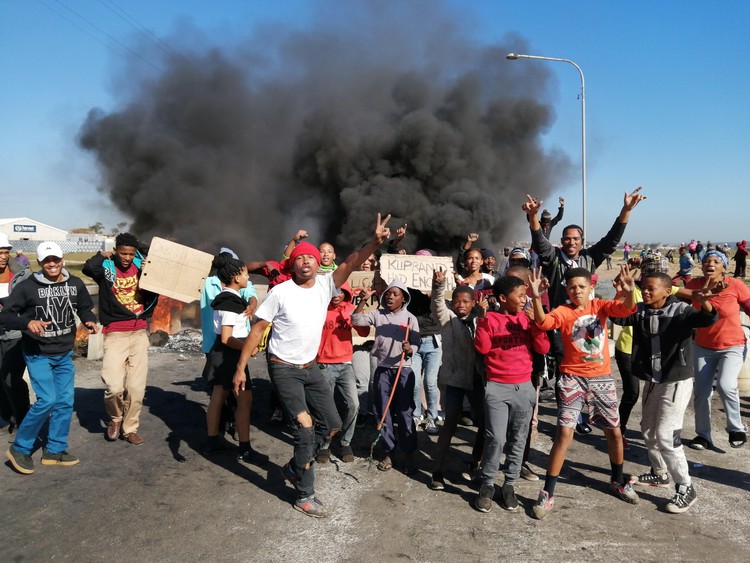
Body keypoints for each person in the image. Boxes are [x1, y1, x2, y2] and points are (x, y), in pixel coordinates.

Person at [233, 214, 392, 518]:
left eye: (311, 258)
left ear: (319, 264)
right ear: (291, 264)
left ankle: (295, 465)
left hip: (310, 367)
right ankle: (304, 494)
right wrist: (241, 367)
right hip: (283, 367)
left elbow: (351, 262)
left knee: (332, 423)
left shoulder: (324, 286)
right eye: (300, 258)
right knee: (305, 428)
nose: (305, 261)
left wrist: (374, 242)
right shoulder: (279, 292)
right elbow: (256, 330)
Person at [528, 265, 639, 520]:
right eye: (572, 287)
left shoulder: (600, 306)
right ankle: (548, 491)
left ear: (590, 287)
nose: (577, 290)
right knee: (564, 433)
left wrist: (630, 292)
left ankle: (618, 480)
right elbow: (543, 322)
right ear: (566, 290)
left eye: (582, 286)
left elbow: (625, 309)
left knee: (614, 432)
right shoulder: (564, 311)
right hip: (571, 379)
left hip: (601, 378)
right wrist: (536, 298)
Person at [613, 272, 717, 514]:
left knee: (666, 436)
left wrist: (703, 300)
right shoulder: (640, 310)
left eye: (651, 288)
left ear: (666, 291)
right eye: (643, 288)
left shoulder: (681, 310)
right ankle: (659, 473)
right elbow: (619, 317)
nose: (645, 292)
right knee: (648, 429)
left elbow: (708, 318)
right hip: (653, 379)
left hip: (676, 380)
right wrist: (625, 292)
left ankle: (686, 486)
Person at [1, 242, 97, 474]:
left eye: (55, 259)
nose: (52, 264)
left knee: (65, 403)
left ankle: (55, 449)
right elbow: (5, 315)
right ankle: (20, 448)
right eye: (46, 261)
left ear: (62, 259)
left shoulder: (74, 284)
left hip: (64, 354)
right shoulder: (28, 287)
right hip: (38, 354)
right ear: (40, 263)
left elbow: (84, 306)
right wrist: (27, 322)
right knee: (47, 400)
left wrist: (89, 319)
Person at [473, 275, 550, 512]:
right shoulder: (491, 319)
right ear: (503, 298)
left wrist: (536, 325)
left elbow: (543, 348)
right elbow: (483, 348)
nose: (524, 299)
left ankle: (509, 484)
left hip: (524, 387)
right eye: (520, 294)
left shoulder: (527, 319)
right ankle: (487, 485)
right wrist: (483, 321)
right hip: (496, 387)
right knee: (496, 438)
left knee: (519, 438)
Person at [82, 233, 159, 446]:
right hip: (115, 333)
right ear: (116, 251)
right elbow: (87, 267)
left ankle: (130, 428)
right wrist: (103, 253)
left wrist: (146, 267)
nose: (126, 258)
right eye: (122, 253)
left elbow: (157, 286)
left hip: (138, 333)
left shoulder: (142, 267)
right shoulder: (106, 267)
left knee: (136, 389)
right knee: (114, 386)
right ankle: (115, 418)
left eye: (130, 254)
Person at [352, 280, 421, 473]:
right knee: (383, 412)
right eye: (388, 293)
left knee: (406, 413)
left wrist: (410, 349)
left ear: (404, 298)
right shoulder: (378, 314)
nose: (390, 296)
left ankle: (408, 453)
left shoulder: (410, 319)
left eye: (395, 294)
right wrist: (362, 302)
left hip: (403, 370)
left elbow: (417, 343)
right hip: (382, 368)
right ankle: (389, 451)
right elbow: (356, 321)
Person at [683, 250, 750, 449]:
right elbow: (677, 303)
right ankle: (703, 435)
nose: (709, 264)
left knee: (726, 384)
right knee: (702, 392)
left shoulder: (735, 285)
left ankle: (736, 429)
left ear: (724, 267)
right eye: (706, 261)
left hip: (733, 346)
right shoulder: (694, 285)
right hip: (703, 347)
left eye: (715, 261)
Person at [204, 258, 267, 464]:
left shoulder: (226, 298)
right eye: (245, 273)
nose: (248, 277)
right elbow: (226, 337)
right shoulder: (230, 302)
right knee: (244, 400)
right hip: (229, 354)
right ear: (236, 277)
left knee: (218, 396)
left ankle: (212, 441)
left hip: (221, 353)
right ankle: (245, 448)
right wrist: (250, 348)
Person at [428, 268, 485, 491]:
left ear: (473, 303)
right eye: (457, 301)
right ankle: (437, 471)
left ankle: (476, 462)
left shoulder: (480, 320)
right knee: (450, 422)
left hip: (477, 380)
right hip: (453, 380)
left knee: (485, 422)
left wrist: (484, 315)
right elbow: (437, 304)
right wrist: (438, 286)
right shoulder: (447, 320)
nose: (461, 305)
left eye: (466, 301)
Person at [614, 254, 678, 450]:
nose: (655, 277)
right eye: (652, 271)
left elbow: (685, 294)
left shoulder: (664, 290)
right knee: (631, 394)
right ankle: (619, 431)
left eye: (660, 272)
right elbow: (619, 288)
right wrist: (628, 271)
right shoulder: (634, 288)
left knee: (654, 397)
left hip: (653, 353)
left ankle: (651, 430)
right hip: (627, 348)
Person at [315, 282, 369, 463]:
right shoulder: (319, 309)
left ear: (346, 292)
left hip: (345, 365)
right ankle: (324, 444)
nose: (336, 295)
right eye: (333, 291)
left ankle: (345, 442)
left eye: (340, 291)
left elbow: (364, 332)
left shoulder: (350, 309)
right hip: (323, 364)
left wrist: (360, 306)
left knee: (353, 404)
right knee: (325, 407)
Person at [0, 234, 30, 435]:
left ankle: (23, 420)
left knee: (11, 377)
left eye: (5, 252)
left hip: (14, 334)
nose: (3, 256)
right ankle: (8, 415)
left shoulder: (21, 274)